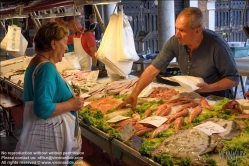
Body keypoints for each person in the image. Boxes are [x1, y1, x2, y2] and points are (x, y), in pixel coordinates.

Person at [118, 7, 239, 110]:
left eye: (182, 30)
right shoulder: (175, 41)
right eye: (176, 28)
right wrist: (135, 94)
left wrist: (210, 87)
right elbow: (152, 69)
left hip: (218, 101)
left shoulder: (216, 45)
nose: (177, 34)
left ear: (197, 31)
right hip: (194, 98)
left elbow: (233, 79)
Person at [22, 22, 84, 164]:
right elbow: (42, 109)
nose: (66, 48)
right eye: (65, 43)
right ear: (53, 44)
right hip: (48, 145)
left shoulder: (37, 62)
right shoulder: (46, 69)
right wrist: (71, 104)